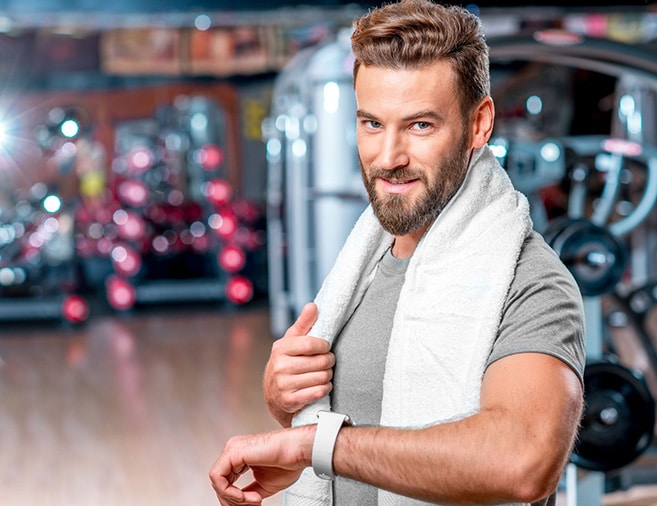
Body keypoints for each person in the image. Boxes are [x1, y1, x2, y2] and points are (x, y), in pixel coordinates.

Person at [209, 1, 585, 504]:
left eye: (420, 126)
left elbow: (522, 462)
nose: (389, 158)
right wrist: (290, 401)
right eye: (372, 124)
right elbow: (354, 429)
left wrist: (316, 445)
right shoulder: (359, 267)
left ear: (478, 125)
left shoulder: (531, 284)